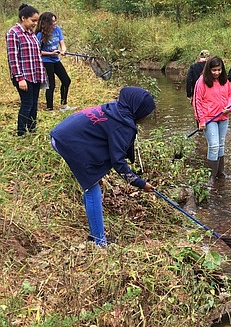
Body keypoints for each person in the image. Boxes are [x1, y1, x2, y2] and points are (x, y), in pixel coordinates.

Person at [50, 87, 156, 247]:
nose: (146, 118)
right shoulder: (123, 125)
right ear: (138, 110)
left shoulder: (117, 109)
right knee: (92, 189)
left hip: (63, 134)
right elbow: (118, 162)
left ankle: (96, 235)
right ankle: (99, 242)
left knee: (92, 184)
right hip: (69, 142)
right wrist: (140, 183)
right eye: (146, 114)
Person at [6, 4, 46, 136]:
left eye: (36, 21)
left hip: (35, 74)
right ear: (23, 18)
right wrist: (20, 78)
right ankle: (21, 133)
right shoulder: (13, 33)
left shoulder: (31, 34)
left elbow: (36, 53)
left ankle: (32, 129)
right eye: (33, 20)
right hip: (24, 76)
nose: (35, 23)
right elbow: (13, 58)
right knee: (27, 104)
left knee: (34, 104)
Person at [192, 56, 231, 186]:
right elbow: (196, 101)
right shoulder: (201, 81)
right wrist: (201, 120)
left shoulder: (225, 81)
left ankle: (220, 173)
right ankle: (211, 176)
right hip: (209, 118)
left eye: (219, 70)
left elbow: (230, 96)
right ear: (208, 69)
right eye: (214, 70)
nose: (216, 73)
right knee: (214, 146)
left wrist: (229, 106)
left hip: (223, 117)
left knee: (221, 145)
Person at [36, 12, 73, 112]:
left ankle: (64, 105)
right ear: (46, 23)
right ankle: (49, 108)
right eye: (52, 21)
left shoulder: (57, 29)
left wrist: (63, 50)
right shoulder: (40, 34)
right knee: (51, 84)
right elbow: (37, 51)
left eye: (55, 20)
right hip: (46, 60)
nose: (55, 23)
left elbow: (62, 43)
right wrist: (51, 53)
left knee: (66, 80)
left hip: (55, 59)